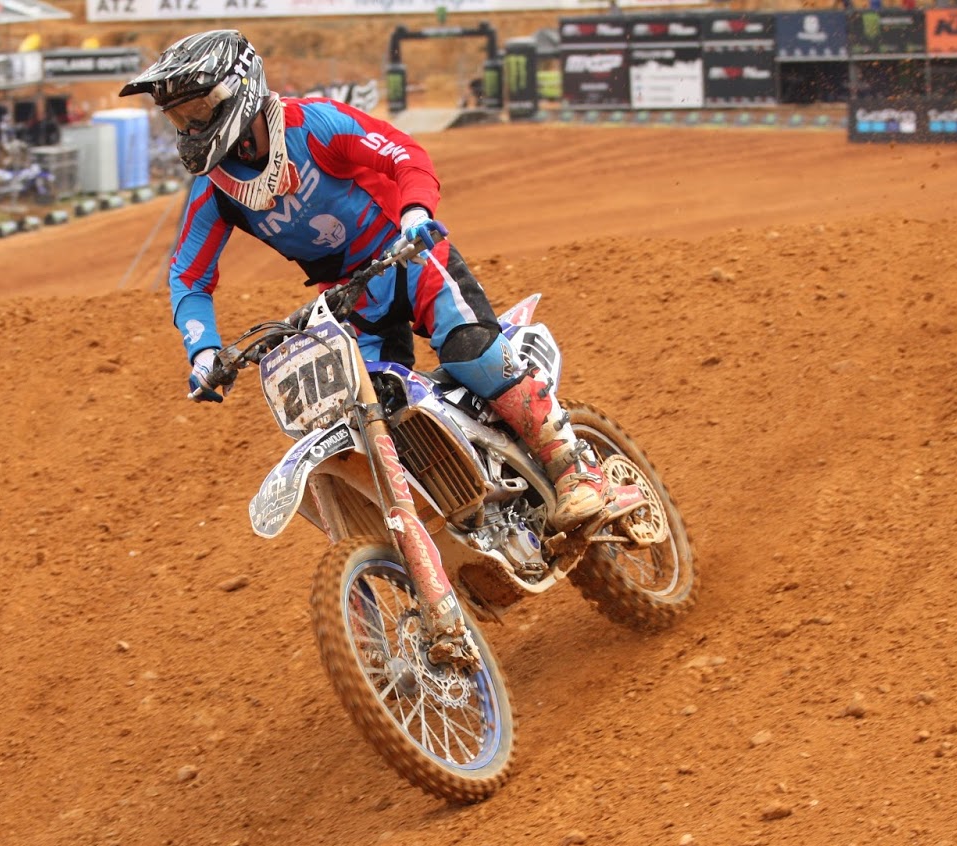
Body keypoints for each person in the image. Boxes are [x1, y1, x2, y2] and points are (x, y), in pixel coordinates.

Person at [119, 30, 610, 528]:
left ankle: (575, 468)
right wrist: (203, 351)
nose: (190, 128)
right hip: (348, 299)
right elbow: (189, 276)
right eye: (179, 118)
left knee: (472, 352)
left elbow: (402, 154)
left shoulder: (313, 125)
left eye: (198, 111)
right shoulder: (216, 190)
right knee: (367, 413)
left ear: (238, 90)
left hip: (408, 255)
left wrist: (416, 211)